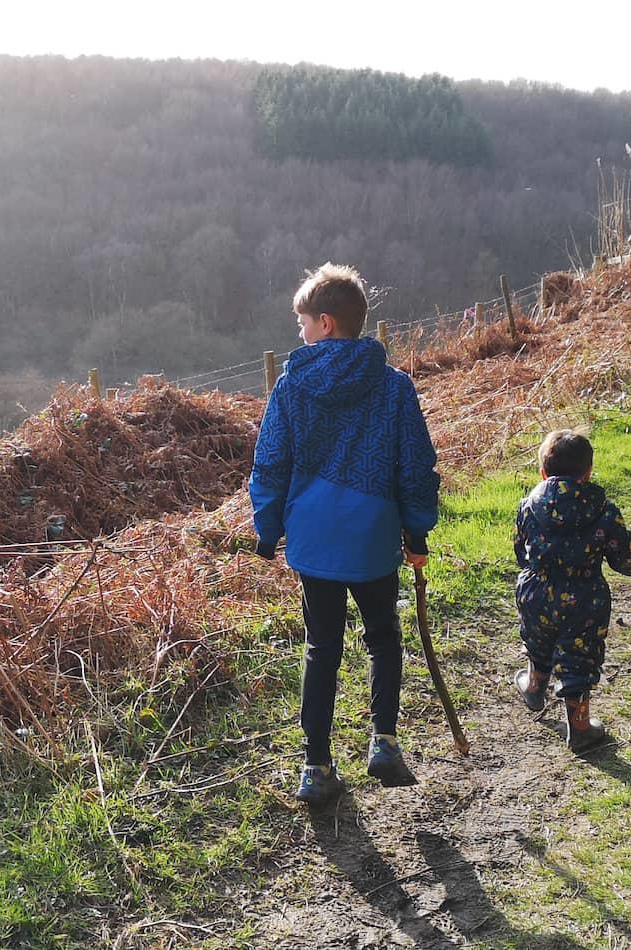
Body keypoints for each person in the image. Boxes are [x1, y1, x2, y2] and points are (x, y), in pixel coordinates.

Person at [250, 262, 440, 807]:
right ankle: (384, 743)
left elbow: (270, 463)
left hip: (314, 542)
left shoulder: (291, 387)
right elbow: (415, 466)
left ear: (326, 323)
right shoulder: (394, 387)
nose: (300, 334)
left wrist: (268, 528)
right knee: (383, 636)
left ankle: (316, 766)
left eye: (304, 323)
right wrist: (417, 529)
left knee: (321, 647)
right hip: (374, 536)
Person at [511, 430, 631, 752]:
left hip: (536, 591)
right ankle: (580, 727)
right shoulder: (603, 510)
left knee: (537, 640)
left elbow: (520, 552)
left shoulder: (528, 505)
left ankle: (534, 686)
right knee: (579, 658)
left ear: (543, 473)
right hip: (585, 597)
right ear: (588, 472)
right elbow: (628, 563)